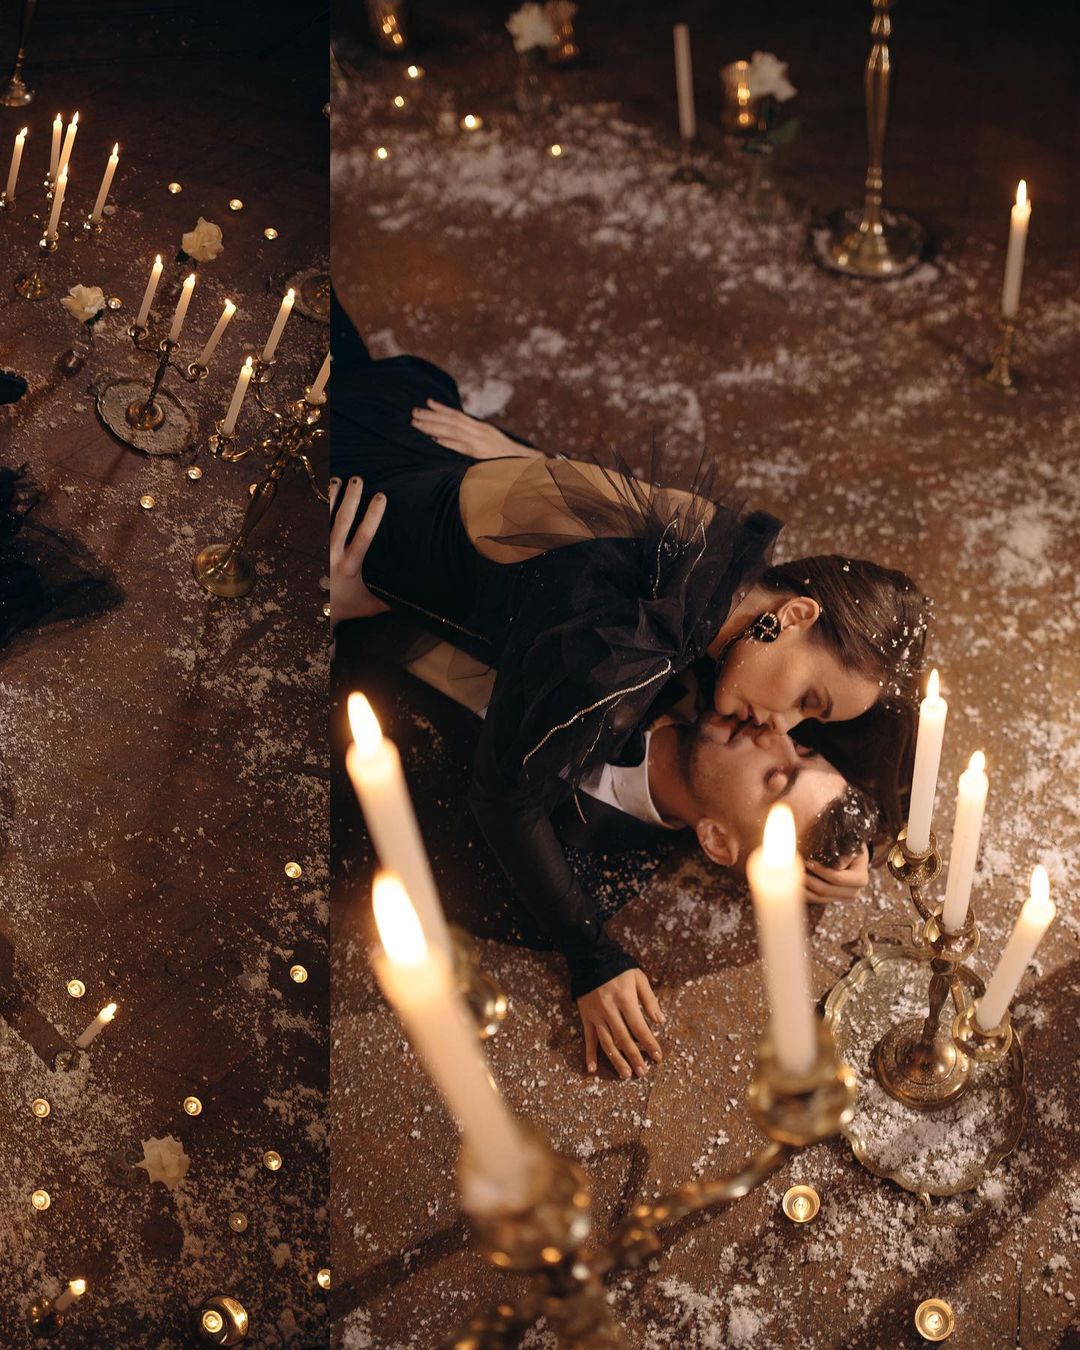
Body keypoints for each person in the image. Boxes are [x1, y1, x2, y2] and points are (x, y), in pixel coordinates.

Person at [330, 296, 929, 1074]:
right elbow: (504, 800)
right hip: (358, 493)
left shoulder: (713, 569)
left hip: (413, 444)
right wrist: (591, 956)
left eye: (803, 735)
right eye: (806, 706)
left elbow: (598, 523)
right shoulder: (620, 650)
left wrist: (523, 464)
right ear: (795, 614)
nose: (778, 726)